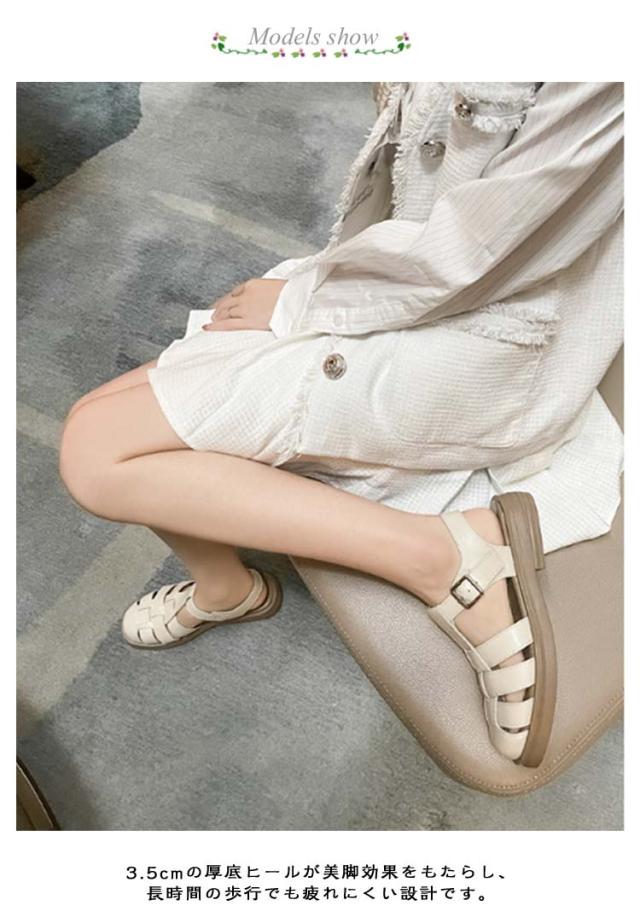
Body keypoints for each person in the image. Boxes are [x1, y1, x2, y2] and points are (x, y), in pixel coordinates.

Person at [58, 82, 623, 769]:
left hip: (485, 334)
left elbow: (497, 245)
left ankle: (439, 559)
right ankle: (226, 589)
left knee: (100, 455)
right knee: (105, 421)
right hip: (404, 278)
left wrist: (304, 299)